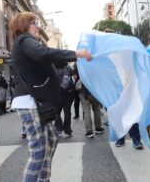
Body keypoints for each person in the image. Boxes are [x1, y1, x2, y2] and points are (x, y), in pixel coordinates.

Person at [10, 12, 92, 182]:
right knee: (38, 150)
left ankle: (43, 179)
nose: (37, 26)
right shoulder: (25, 40)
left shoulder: (28, 44)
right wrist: (77, 53)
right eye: (34, 23)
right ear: (24, 26)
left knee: (52, 138)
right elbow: (44, 54)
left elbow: (50, 59)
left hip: (36, 101)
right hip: (30, 102)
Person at [73, 64, 105, 139]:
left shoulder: (78, 64)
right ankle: (98, 128)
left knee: (86, 111)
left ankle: (89, 131)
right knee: (96, 109)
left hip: (83, 92)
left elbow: (75, 78)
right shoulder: (95, 63)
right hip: (94, 91)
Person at [54, 62, 75, 137]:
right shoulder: (67, 69)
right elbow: (69, 81)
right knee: (67, 113)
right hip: (67, 94)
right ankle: (67, 130)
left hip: (57, 94)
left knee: (56, 113)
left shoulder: (53, 68)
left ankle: (58, 128)